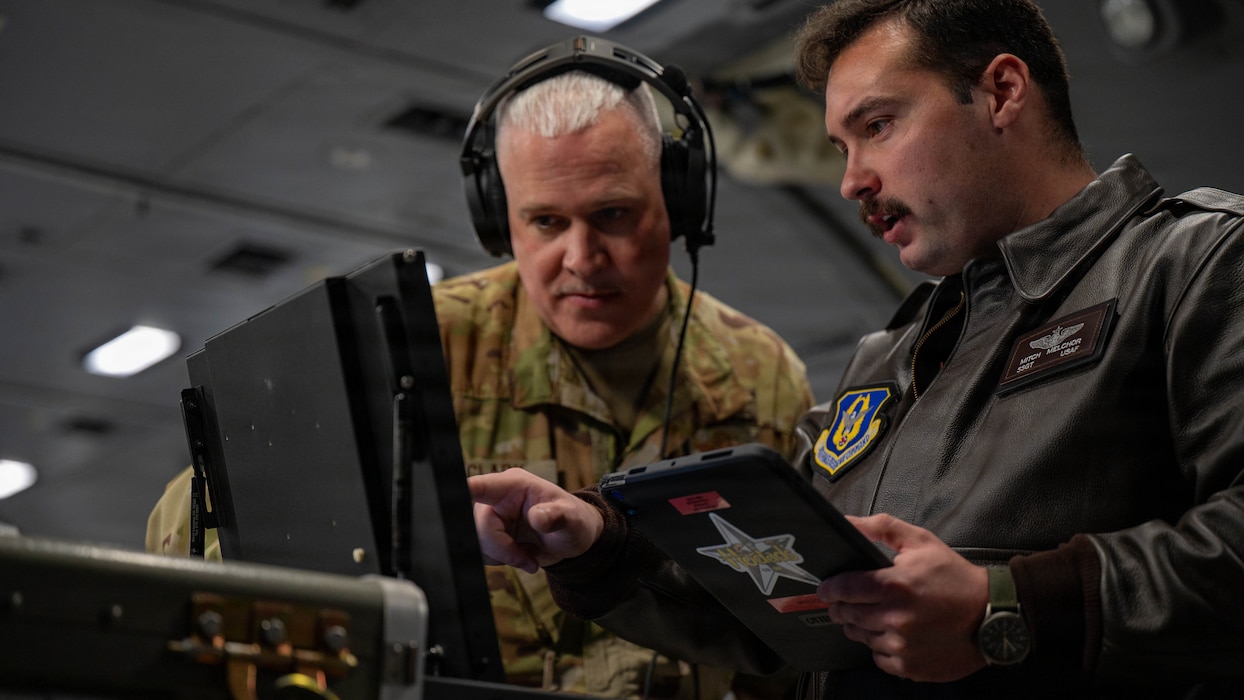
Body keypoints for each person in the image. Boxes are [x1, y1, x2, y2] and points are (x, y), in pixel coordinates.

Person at [467, 1, 1244, 698]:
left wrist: (1004, 607)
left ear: (1003, 92)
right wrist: (598, 544)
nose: (851, 181)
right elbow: (787, 606)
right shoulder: (892, 356)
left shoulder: (1192, 265)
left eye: (877, 126)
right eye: (841, 145)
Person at [146, 52, 815, 700]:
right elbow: (192, 528)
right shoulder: (411, 345)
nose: (581, 259)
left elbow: (795, 641)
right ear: (499, 218)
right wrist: (387, 523)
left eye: (613, 215)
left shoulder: (761, 377)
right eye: (546, 222)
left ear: (678, 200)